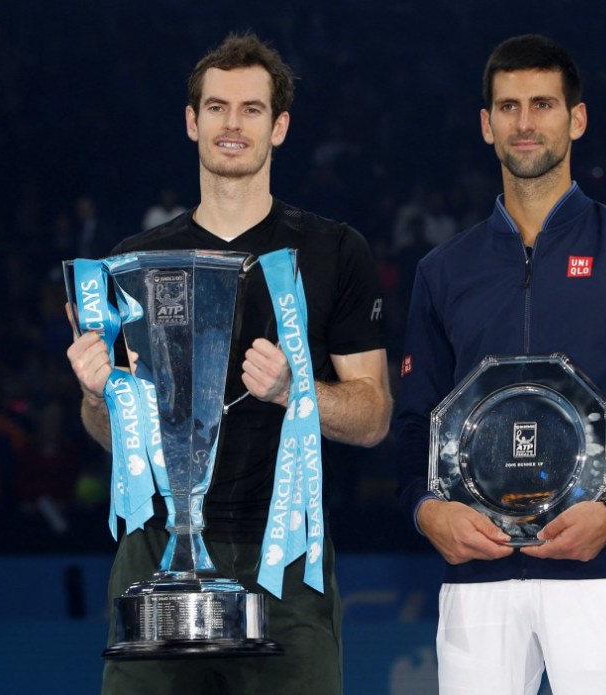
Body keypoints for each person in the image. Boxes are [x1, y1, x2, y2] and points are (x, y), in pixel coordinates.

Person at [66, 32, 392, 695]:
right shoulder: (135, 261)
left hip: (284, 566)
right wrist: (99, 394)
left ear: (280, 127)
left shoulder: (333, 250)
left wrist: (295, 391)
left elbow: (373, 414)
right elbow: (109, 434)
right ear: (192, 123)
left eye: (250, 109)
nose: (232, 125)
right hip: (157, 553)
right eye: (216, 108)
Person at [394, 34, 606, 695]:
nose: (524, 122)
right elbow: (409, 426)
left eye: (542, 104)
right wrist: (429, 510)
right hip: (479, 584)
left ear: (577, 118)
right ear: (486, 125)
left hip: (604, 576)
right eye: (508, 106)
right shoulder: (443, 270)